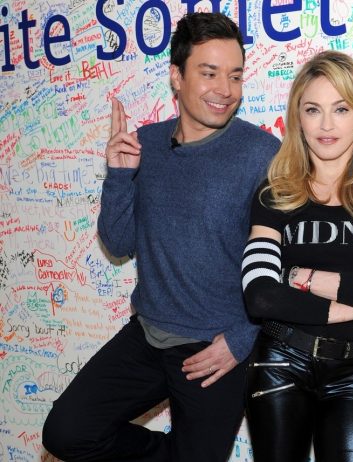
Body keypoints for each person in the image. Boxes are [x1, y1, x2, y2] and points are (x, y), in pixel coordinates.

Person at [42, 12, 280, 462]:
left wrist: (242, 339)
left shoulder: (263, 154)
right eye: (209, 73)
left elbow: (288, 263)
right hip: (148, 336)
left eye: (234, 76)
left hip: (215, 350)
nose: (225, 89)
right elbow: (118, 244)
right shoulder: (145, 144)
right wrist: (119, 176)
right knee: (66, 433)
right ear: (176, 77)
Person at [241, 50, 353, 462]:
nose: (326, 125)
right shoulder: (274, 194)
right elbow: (261, 297)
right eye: (313, 110)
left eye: (341, 109)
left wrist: (299, 277)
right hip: (279, 364)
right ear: (298, 118)